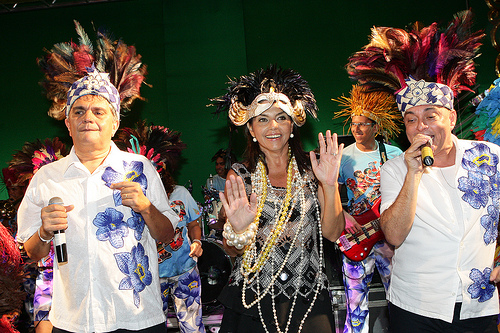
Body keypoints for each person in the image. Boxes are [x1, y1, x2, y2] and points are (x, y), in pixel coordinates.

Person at [347, 11, 499, 332]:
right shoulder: (394, 169)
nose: (421, 127)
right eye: (411, 119)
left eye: (430, 115)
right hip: (417, 306)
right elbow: (394, 235)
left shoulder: (489, 157)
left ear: (452, 118)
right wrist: (413, 174)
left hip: (478, 304)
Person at [17, 37, 179, 332]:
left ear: (115, 123)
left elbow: (167, 234)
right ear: (67, 123)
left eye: (98, 111)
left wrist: (145, 207)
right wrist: (43, 231)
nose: (87, 118)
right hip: (74, 320)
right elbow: (33, 252)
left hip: (136, 318)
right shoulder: (47, 177)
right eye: (78, 111)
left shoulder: (139, 168)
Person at [210, 65, 345, 333]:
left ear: (292, 124)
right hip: (253, 298)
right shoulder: (241, 175)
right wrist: (238, 230)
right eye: (262, 119)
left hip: (307, 297)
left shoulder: (313, 169)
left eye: (281, 117)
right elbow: (232, 250)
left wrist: (329, 185)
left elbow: (332, 232)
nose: (273, 126)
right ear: (250, 128)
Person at [114, 122, 205, 333]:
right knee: (154, 326)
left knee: (192, 327)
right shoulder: (130, 202)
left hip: (185, 270)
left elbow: (193, 223)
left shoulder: (180, 194)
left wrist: (198, 241)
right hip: (153, 276)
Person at [333, 85, 402, 333]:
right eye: (353, 124)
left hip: (387, 237)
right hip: (356, 234)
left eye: (363, 124)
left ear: (375, 127)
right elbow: (329, 194)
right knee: (355, 303)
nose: (356, 129)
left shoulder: (393, 154)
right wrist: (343, 215)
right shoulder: (344, 156)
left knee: (398, 297)